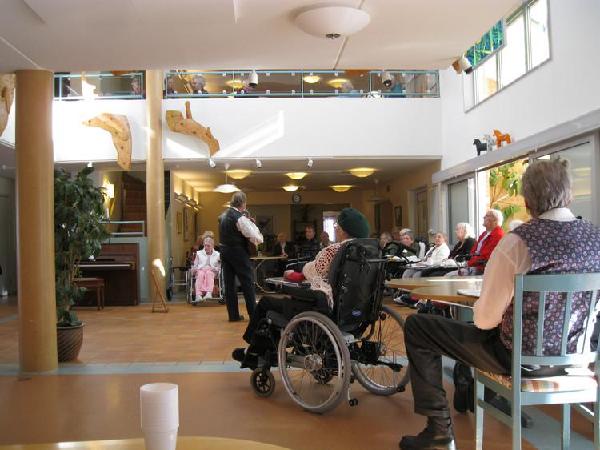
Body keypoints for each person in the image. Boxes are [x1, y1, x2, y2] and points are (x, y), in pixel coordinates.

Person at [399, 158, 600, 449]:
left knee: (418, 326)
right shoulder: (596, 238)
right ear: (569, 195)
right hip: (579, 359)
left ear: (528, 201)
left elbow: (484, 321)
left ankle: (439, 430)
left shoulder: (518, 243)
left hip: (519, 360)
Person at [233, 208, 370, 362]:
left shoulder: (335, 250)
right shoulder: (368, 253)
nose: (336, 228)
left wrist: (291, 274)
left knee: (265, 303)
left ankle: (252, 350)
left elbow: (311, 271)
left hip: (324, 308)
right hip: (356, 309)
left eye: (337, 226)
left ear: (344, 230)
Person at [218, 191, 263, 322]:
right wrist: (253, 226)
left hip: (224, 251)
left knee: (229, 284)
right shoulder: (239, 217)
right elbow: (255, 237)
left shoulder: (222, 216)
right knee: (247, 282)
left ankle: (233, 315)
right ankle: (253, 315)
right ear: (243, 203)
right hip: (238, 252)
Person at [191, 237, 220, 302]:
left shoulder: (217, 254)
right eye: (205, 245)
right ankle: (198, 295)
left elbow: (219, 267)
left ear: (212, 246)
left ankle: (209, 293)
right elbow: (195, 265)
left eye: (208, 246)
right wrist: (194, 270)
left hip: (212, 271)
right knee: (200, 274)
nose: (206, 247)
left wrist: (214, 268)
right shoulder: (199, 253)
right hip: (200, 270)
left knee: (209, 273)